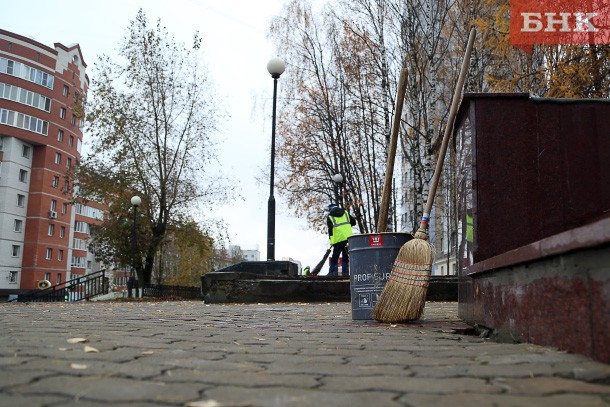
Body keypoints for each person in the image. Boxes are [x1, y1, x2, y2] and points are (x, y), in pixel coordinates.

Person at [326, 203, 356, 276]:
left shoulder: (330, 216)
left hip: (338, 239)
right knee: (345, 255)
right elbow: (353, 222)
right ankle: (345, 273)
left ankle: (331, 272)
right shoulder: (345, 212)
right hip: (348, 237)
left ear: (330, 209)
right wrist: (346, 227)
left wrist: (331, 241)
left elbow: (330, 231)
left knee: (335, 256)